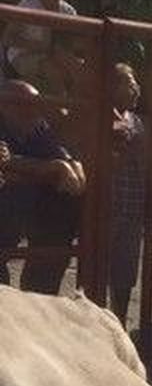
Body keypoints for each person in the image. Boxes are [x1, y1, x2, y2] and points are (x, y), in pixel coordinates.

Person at [0, 79, 85, 294]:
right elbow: (4, 161)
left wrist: (72, 165)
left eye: (36, 104)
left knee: (63, 213)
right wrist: (54, 167)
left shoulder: (37, 125)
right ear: (4, 105)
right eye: (24, 104)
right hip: (6, 214)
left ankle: (39, 295)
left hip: (24, 212)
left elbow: (60, 154)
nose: (34, 110)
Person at [107, 64, 148, 324]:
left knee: (125, 272)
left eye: (136, 83)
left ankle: (119, 322)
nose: (136, 89)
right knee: (99, 271)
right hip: (108, 207)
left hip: (132, 207)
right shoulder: (102, 117)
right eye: (129, 83)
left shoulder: (137, 121)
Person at [3, 0, 80, 93]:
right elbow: (8, 38)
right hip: (22, 56)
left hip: (53, 55)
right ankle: (62, 110)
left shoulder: (69, 11)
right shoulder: (28, 6)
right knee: (53, 71)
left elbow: (70, 45)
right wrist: (38, 46)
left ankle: (81, 109)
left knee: (80, 68)